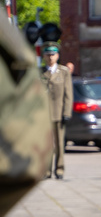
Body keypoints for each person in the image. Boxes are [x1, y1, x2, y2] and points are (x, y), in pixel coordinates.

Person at [40, 42, 72, 180]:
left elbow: (68, 94)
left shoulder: (63, 72)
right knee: (46, 145)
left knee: (59, 144)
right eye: (47, 55)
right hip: (42, 115)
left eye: (53, 54)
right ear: (44, 56)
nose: (50, 57)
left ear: (57, 56)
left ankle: (59, 170)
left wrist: (67, 113)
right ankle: (46, 171)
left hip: (58, 114)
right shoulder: (39, 72)